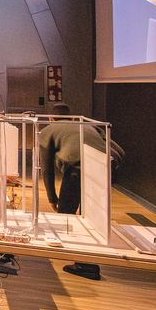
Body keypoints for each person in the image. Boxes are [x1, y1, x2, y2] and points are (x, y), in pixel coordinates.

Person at [39, 108, 125, 281]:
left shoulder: (48, 130)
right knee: (92, 217)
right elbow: (118, 149)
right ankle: (88, 262)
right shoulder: (86, 124)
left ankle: (85, 264)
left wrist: (51, 197)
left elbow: (46, 167)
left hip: (78, 169)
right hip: (106, 165)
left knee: (68, 215)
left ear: (50, 117)